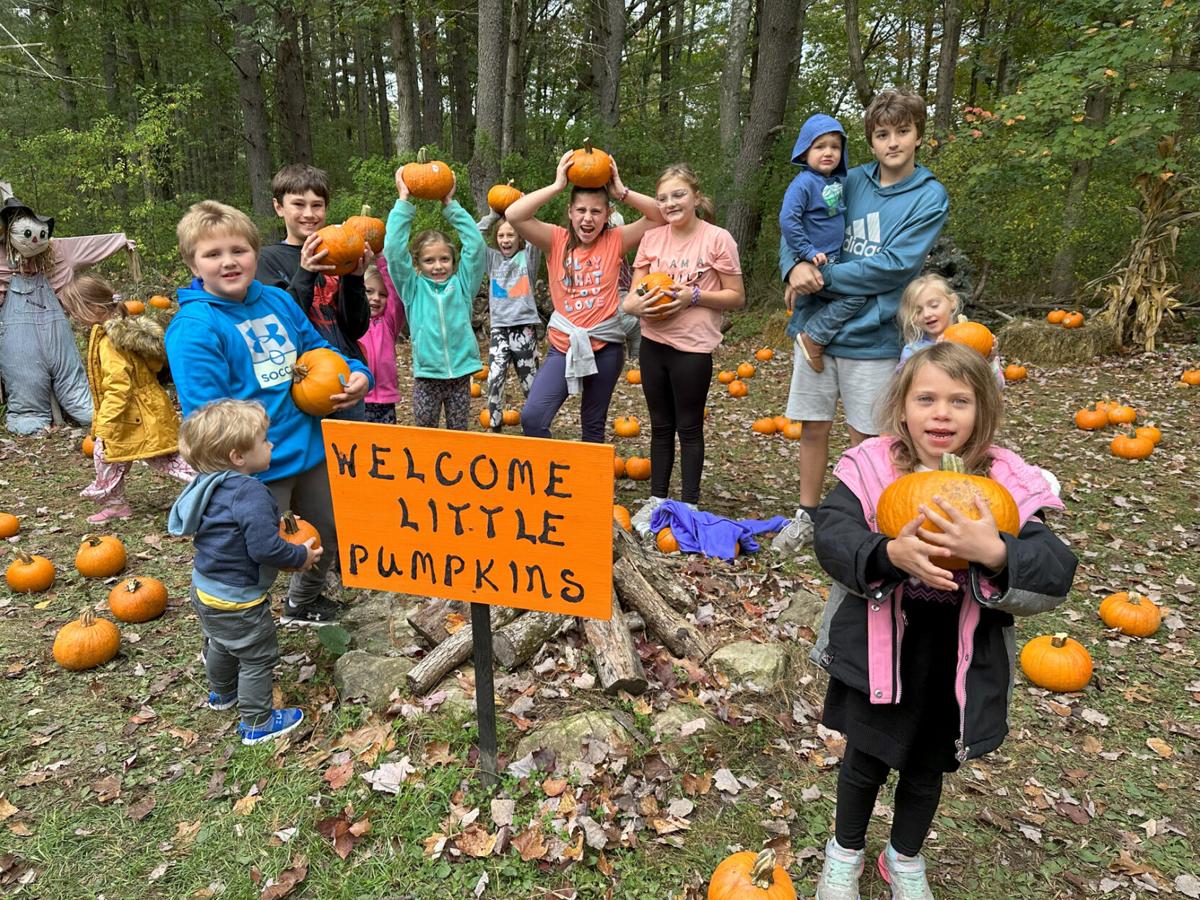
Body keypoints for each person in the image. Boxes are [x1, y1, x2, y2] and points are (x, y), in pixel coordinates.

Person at [809, 342, 1077, 899]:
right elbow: (833, 535)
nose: (942, 413)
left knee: (927, 767)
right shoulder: (873, 468)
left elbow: (1054, 570)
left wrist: (998, 552)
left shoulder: (1007, 483)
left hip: (958, 658)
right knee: (864, 758)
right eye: (926, 398)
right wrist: (887, 553)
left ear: (983, 411)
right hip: (879, 648)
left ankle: (903, 857)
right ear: (902, 407)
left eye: (960, 401)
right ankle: (845, 852)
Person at [165, 200, 372, 627]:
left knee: (327, 532)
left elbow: (318, 349)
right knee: (251, 556)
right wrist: (243, 462)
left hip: (308, 449)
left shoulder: (278, 300)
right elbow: (207, 416)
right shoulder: (194, 328)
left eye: (238, 250)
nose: (228, 262)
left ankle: (303, 602)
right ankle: (229, 631)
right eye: (213, 254)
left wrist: (357, 373)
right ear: (192, 263)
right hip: (250, 470)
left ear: (255, 253)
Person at [773, 88, 950, 553]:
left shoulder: (928, 196)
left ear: (918, 135)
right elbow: (796, 224)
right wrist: (792, 267)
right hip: (814, 328)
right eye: (882, 134)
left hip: (873, 335)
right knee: (812, 426)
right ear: (870, 141)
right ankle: (807, 515)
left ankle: (865, 522)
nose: (893, 143)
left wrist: (821, 277)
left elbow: (894, 266)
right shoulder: (848, 179)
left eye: (903, 132)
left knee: (868, 436)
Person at [169, 399, 322, 745]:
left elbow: (234, 527)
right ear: (238, 456)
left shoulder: (208, 484)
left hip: (205, 588)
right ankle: (257, 722)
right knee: (256, 657)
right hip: (238, 599)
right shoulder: (251, 492)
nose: (271, 445)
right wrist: (300, 555)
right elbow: (265, 549)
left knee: (221, 642)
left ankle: (222, 693)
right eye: (264, 440)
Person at [505, 151, 664, 442]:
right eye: (580, 210)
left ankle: (587, 472)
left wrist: (621, 191)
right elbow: (514, 214)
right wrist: (557, 186)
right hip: (563, 344)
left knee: (593, 425)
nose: (588, 218)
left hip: (606, 346)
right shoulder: (555, 239)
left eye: (596, 211)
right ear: (570, 212)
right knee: (532, 418)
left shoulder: (616, 240)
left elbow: (660, 215)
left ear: (607, 215)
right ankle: (552, 466)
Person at [622, 164, 745, 534]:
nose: (670, 203)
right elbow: (633, 296)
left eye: (678, 195)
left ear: (695, 196)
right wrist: (637, 305)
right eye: (663, 198)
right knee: (660, 426)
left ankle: (689, 504)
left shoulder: (717, 239)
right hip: (653, 344)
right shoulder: (652, 239)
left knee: (689, 428)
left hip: (692, 348)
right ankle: (657, 500)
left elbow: (736, 296)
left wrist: (693, 296)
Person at [58, 274, 194, 523]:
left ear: (95, 308)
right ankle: (116, 503)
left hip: (131, 415)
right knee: (127, 457)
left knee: (140, 456)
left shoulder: (110, 342)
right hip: (146, 409)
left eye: (75, 310)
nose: (73, 317)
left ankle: (214, 485)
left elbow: (118, 386)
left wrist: (105, 424)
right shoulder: (127, 331)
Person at [0, 197, 136, 435]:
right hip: (16, 338)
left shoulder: (58, 250)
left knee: (71, 377)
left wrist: (120, 241)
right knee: (25, 379)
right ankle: (29, 414)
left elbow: (89, 245)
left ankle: (84, 407)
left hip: (57, 333)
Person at [255, 164, 371, 421]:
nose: (309, 213)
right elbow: (282, 323)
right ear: (278, 207)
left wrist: (354, 278)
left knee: (349, 447)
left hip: (346, 379)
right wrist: (306, 271)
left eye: (317, 205)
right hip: (302, 384)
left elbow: (356, 328)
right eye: (298, 204)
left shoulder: (338, 255)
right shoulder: (266, 260)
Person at [382, 167, 484, 430]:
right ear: (417, 264)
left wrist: (451, 206)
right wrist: (403, 201)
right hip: (427, 378)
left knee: (458, 436)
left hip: (460, 376)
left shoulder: (462, 286)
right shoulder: (412, 289)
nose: (438, 266)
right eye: (429, 260)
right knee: (426, 436)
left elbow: (476, 246)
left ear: (453, 260)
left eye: (444, 259)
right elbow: (393, 250)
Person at [780, 114, 852, 373]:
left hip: (832, 260)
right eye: (819, 146)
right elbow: (788, 220)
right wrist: (805, 253)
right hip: (817, 261)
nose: (828, 152)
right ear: (804, 152)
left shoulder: (836, 182)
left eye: (835, 147)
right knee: (854, 296)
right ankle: (814, 336)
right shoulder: (803, 184)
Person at [474, 209, 543, 431]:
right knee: (494, 378)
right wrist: (493, 215)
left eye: (511, 235)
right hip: (500, 329)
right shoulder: (492, 259)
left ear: (520, 237)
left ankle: (535, 427)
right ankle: (495, 426)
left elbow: (536, 235)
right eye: (501, 235)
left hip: (524, 328)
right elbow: (474, 237)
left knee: (530, 383)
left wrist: (523, 210)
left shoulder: (527, 258)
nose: (506, 240)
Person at [897, 274, 1004, 386]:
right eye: (918, 311)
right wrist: (938, 356)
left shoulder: (972, 340)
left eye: (934, 306)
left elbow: (997, 386)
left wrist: (988, 362)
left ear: (952, 301)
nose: (926, 314)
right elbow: (908, 387)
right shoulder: (912, 351)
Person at [359, 261, 407, 424]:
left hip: (385, 401)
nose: (376, 298)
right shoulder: (352, 323)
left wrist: (382, 259)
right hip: (358, 398)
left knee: (385, 439)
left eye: (383, 294)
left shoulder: (389, 323)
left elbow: (395, 293)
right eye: (369, 291)